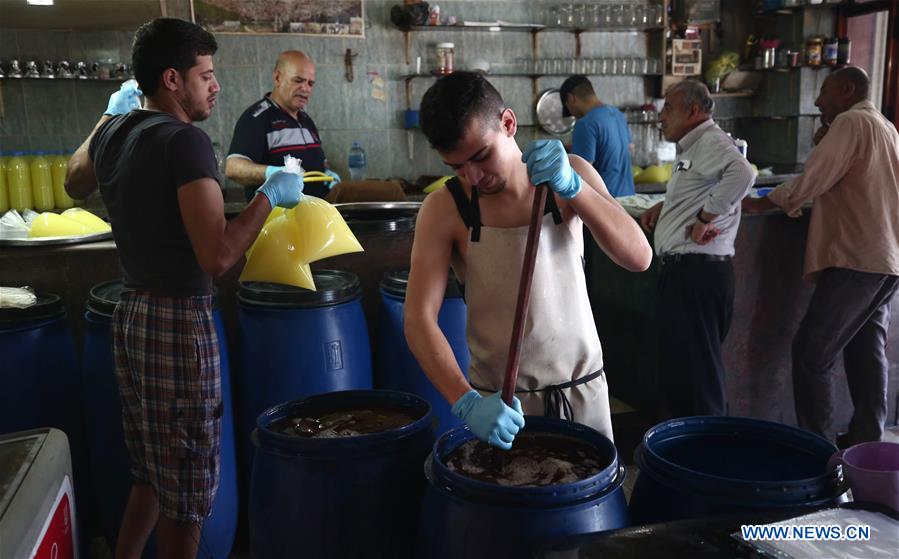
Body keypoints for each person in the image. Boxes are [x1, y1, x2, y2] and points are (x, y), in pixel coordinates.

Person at [64, 18, 302, 559]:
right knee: (188, 494)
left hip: (132, 317)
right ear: (172, 80)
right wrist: (268, 195)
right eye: (207, 75)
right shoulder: (185, 141)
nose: (216, 86)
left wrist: (108, 112)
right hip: (178, 327)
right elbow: (217, 256)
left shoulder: (115, 130)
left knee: (152, 471)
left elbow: (72, 181)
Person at [405, 72, 652, 449]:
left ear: (508, 123)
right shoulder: (445, 208)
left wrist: (575, 188)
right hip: (501, 410)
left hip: (581, 395)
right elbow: (418, 320)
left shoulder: (571, 175)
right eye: (456, 167)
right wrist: (467, 403)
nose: (473, 176)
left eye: (481, 156)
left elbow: (639, 257)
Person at [743, 67, 899, 446]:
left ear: (847, 90)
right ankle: (867, 442)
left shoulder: (852, 122)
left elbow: (814, 177)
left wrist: (765, 202)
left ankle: (821, 450)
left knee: (813, 353)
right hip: (884, 256)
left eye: (824, 92)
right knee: (866, 349)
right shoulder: (882, 125)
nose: (816, 101)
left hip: (856, 258)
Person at [639, 80, 755, 419]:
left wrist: (705, 217)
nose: (661, 117)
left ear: (693, 111)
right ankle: (690, 457)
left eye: (668, 109)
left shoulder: (710, 140)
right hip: (685, 272)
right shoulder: (694, 147)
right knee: (684, 376)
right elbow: (703, 186)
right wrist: (668, 206)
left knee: (699, 379)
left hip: (696, 273)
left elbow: (742, 173)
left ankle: (709, 461)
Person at [225, 50, 340, 200]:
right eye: (298, 80)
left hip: (314, 214)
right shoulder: (257, 118)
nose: (305, 88)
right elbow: (233, 168)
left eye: (310, 83)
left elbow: (317, 163)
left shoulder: (306, 120)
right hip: (279, 219)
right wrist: (273, 173)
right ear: (278, 78)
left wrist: (327, 173)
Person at [559, 75, 635, 198]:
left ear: (571, 98)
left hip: (605, 201)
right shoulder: (618, 114)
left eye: (568, 108)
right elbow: (630, 148)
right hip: (629, 198)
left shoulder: (585, 123)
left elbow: (580, 172)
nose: (572, 114)